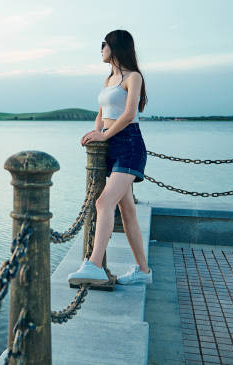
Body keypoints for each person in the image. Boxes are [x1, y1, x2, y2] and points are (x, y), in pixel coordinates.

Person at [67, 29, 152, 286]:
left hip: (129, 144)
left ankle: (94, 265)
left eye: (103, 44)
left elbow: (128, 114)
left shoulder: (133, 77)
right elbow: (102, 112)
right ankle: (144, 272)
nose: (101, 49)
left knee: (104, 203)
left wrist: (105, 135)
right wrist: (97, 132)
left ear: (115, 47)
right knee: (127, 212)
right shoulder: (109, 79)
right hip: (112, 145)